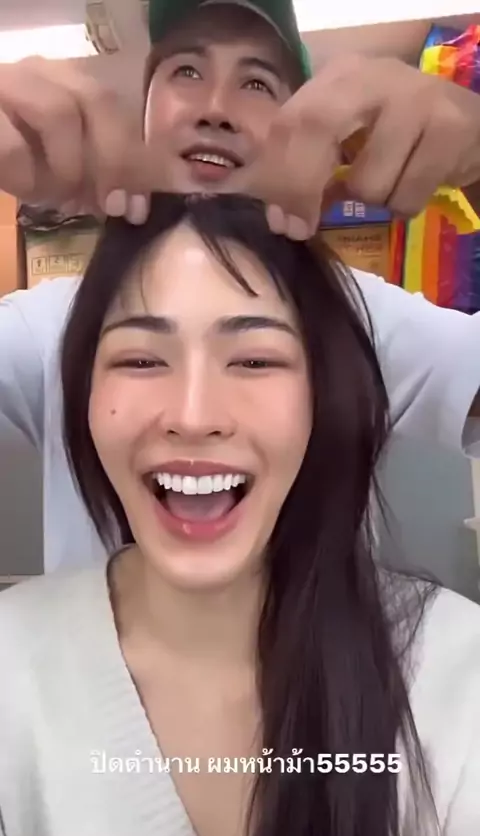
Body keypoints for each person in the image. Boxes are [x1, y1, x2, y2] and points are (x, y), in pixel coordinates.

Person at [0, 193, 479, 836]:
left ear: (323, 397)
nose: (193, 416)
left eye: (255, 360)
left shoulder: (456, 673)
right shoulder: (14, 674)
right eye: (141, 360)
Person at [1, 0, 480, 575]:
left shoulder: (358, 312)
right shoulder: (52, 323)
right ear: (144, 115)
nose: (215, 109)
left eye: (256, 83)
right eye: (187, 71)